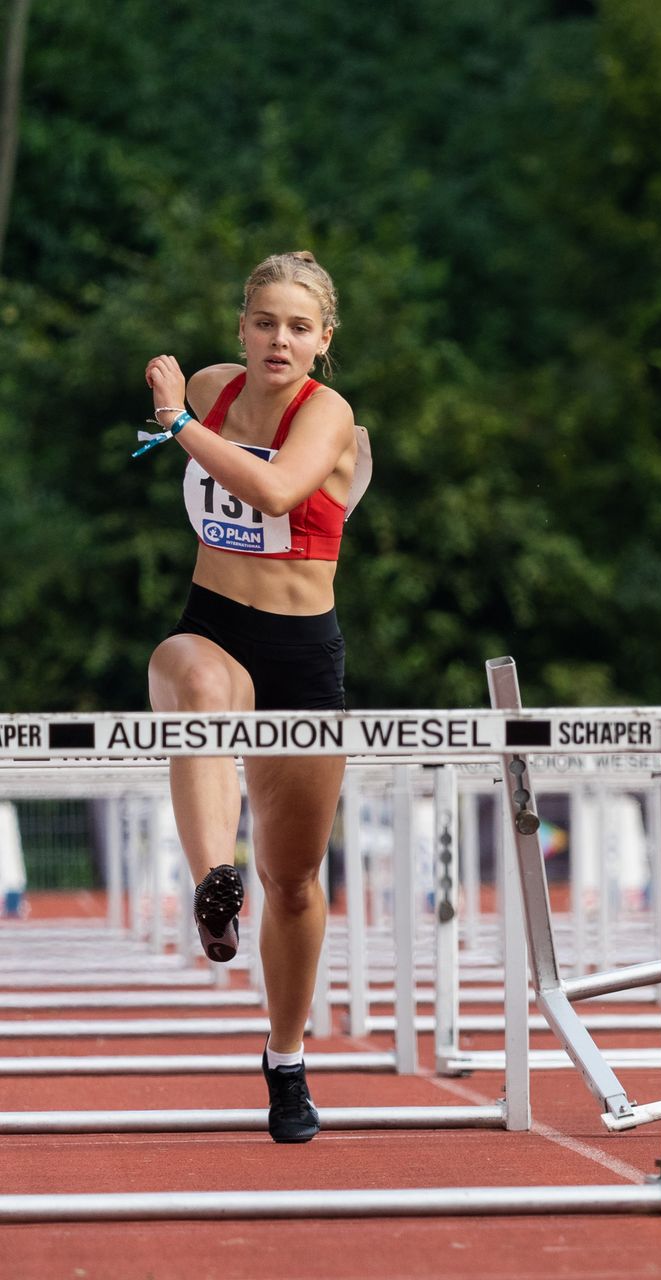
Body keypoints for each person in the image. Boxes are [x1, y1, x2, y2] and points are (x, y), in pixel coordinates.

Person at [141, 251, 370, 1144]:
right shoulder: (213, 386)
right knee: (194, 681)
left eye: (299, 327)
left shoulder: (330, 415)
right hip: (214, 622)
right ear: (242, 328)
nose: (280, 339)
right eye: (266, 322)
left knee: (297, 878)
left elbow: (275, 487)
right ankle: (211, 884)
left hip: (302, 654)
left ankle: (285, 1059)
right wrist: (192, 414)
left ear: (323, 342)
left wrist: (176, 424)